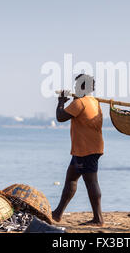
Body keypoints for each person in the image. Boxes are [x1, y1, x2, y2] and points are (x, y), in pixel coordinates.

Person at [52, 74, 104, 226]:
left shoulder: (80, 103)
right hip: (87, 148)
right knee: (71, 179)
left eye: (76, 86)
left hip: (86, 149)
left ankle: (98, 219)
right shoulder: (94, 102)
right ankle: (57, 213)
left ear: (82, 87)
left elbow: (60, 117)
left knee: (91, 182)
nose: (74, 88)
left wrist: (61, 102)